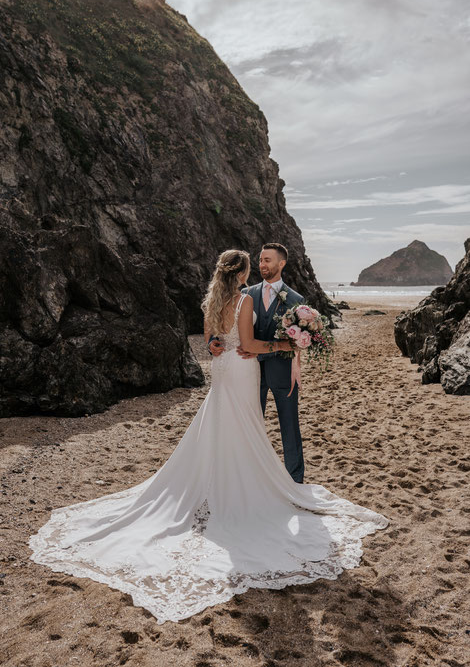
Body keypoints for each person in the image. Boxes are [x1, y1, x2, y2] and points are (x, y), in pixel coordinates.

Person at [28, 249, 388, 625]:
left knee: (224, 424)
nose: (258, 269)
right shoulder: (245, 299)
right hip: (241, 370)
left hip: (222, 369)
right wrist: (285, 345)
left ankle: (215, 484)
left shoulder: (213, 300)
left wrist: (222, 346)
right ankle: (239, 488)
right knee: (243, 426)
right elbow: (248, 346)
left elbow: (211, 341)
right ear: (245, 271)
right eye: (254, 265)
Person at [209, 243, 305, 482]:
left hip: (281, 371)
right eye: (260, 260)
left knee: (290, 427)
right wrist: (212, 341)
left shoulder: (296, 300)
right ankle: (252, 478)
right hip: (247, 372)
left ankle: (295, 479)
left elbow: (297, 341)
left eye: (267, 260)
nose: (262, 264)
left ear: (281, 264)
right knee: (249, 427)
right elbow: (223, 324)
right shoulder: (245, 293)